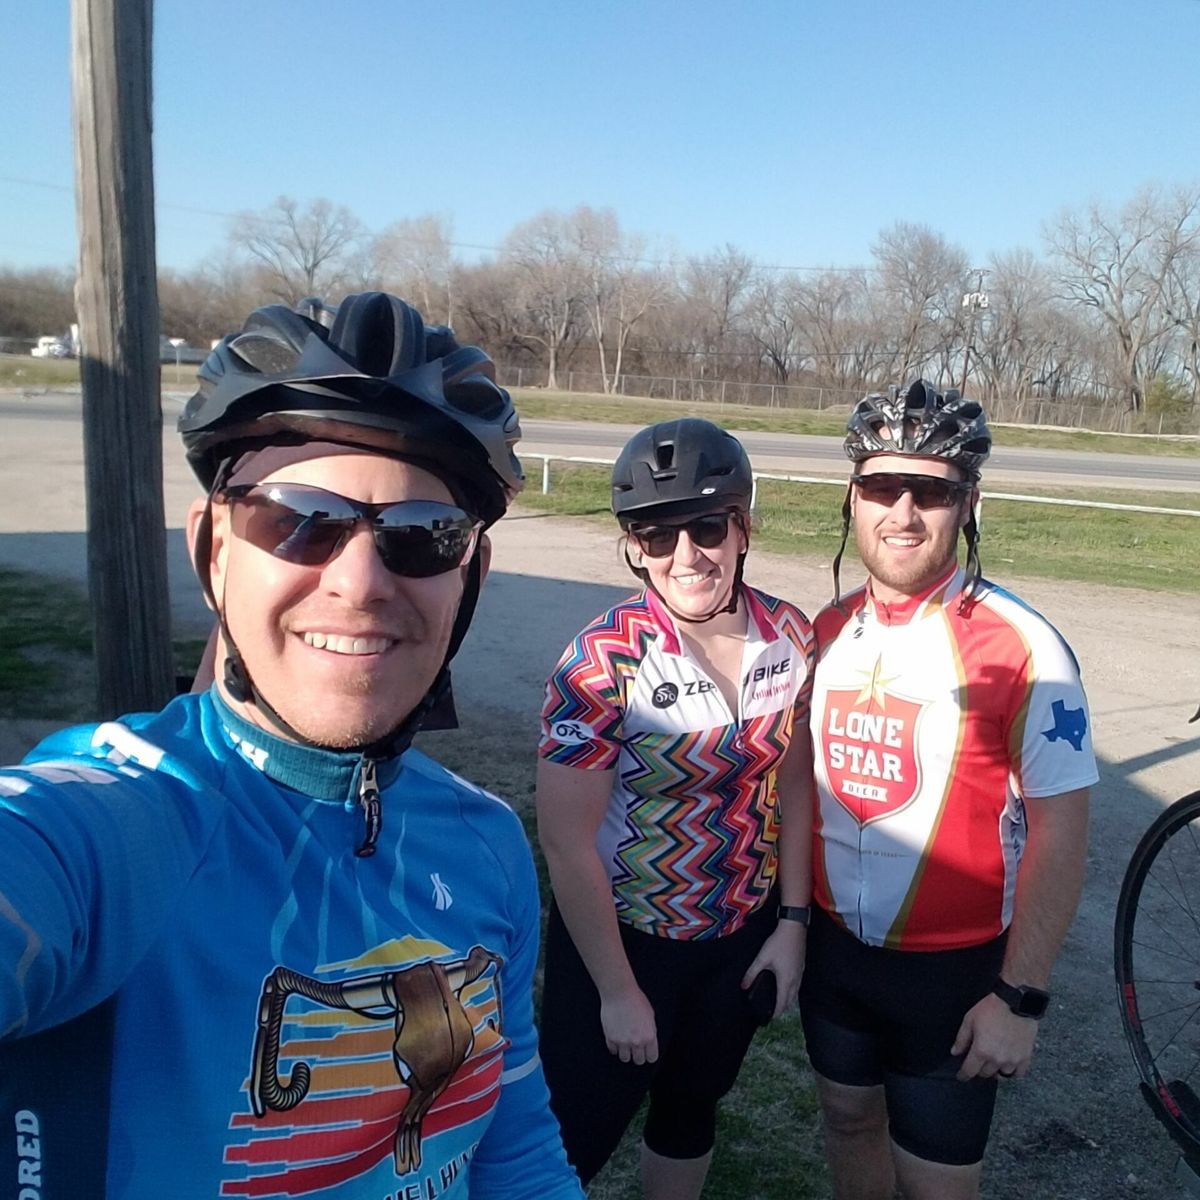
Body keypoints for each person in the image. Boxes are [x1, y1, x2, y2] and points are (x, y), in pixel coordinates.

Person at [0, 292, 582, 1199]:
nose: (360, 581)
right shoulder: (123, 819)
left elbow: (516, 1149)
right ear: (213, 552)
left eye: (422, 536)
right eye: (298, 518)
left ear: (469, 578)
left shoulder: (490, 842)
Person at [801, 380, 1097, 1200]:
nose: (902, 512)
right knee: (847, 1121)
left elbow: (1062, 832)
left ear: (968, 504)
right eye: (881, 487)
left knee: (938, 1185)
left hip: (954, 976)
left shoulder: (1027, 647)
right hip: (835, 955)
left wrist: (1020, 998)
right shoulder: (825, 630)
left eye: (930, 491)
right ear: (852, 498)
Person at [536, 418, 816, 1198]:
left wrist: (793, 925)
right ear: (634, 546)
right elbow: (566, 844)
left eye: (706, 527)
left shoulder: (791, 636)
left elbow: (797, 787)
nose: (686, 555)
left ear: (743, 527)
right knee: (570, 1139)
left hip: (739, 933)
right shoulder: (601, 660)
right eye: (657, 535)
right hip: (625, 938)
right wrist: (618, 991)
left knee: (691, 1110)